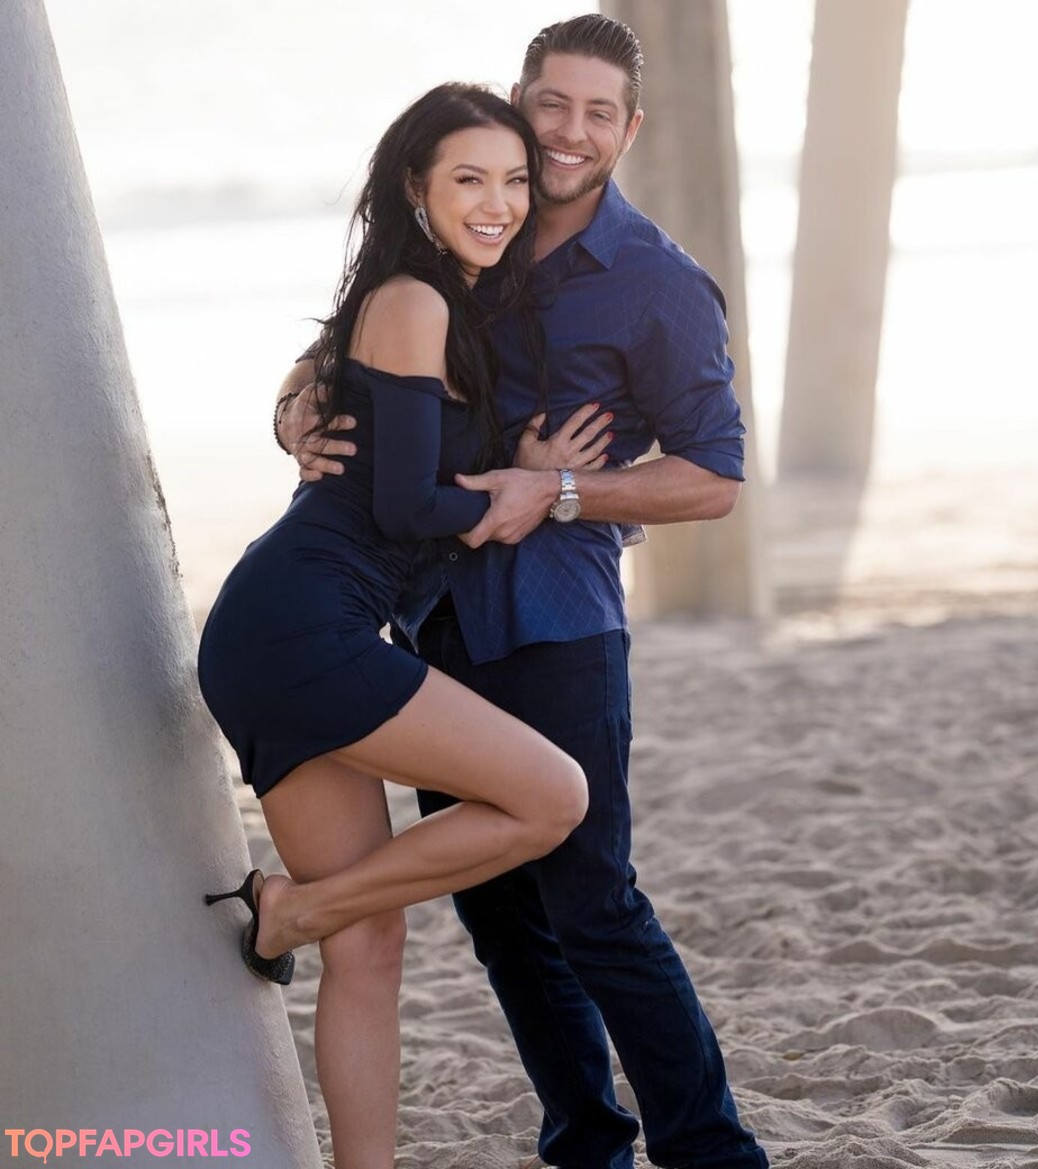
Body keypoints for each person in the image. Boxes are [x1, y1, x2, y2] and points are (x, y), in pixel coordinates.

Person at [276, 16, 769, 1169]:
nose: (569, 131)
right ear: (520, 98)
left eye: (598, 112)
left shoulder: (656, 284)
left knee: (595, 902)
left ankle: (711, 1150)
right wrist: (293, 405)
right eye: (552, 102)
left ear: (629, 130)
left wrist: (559, 487)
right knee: (500, 912)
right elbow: (351, 340)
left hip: (557, 621)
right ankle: (586, 1142)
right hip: (432, 616)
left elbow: (713, 477)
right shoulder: (468, 231)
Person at [198, 83, 591, 1169]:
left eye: (514, 180)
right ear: (417, 187)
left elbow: (334, 383)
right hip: (304, 628)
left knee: (369, 940)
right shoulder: (415, 299)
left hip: (277, 634)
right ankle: (289, 913)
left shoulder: (438, 297)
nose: (497, 202)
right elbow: (407, 505)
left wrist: (297, 393)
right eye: (469, 179)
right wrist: (517, 494)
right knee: (552, 795)